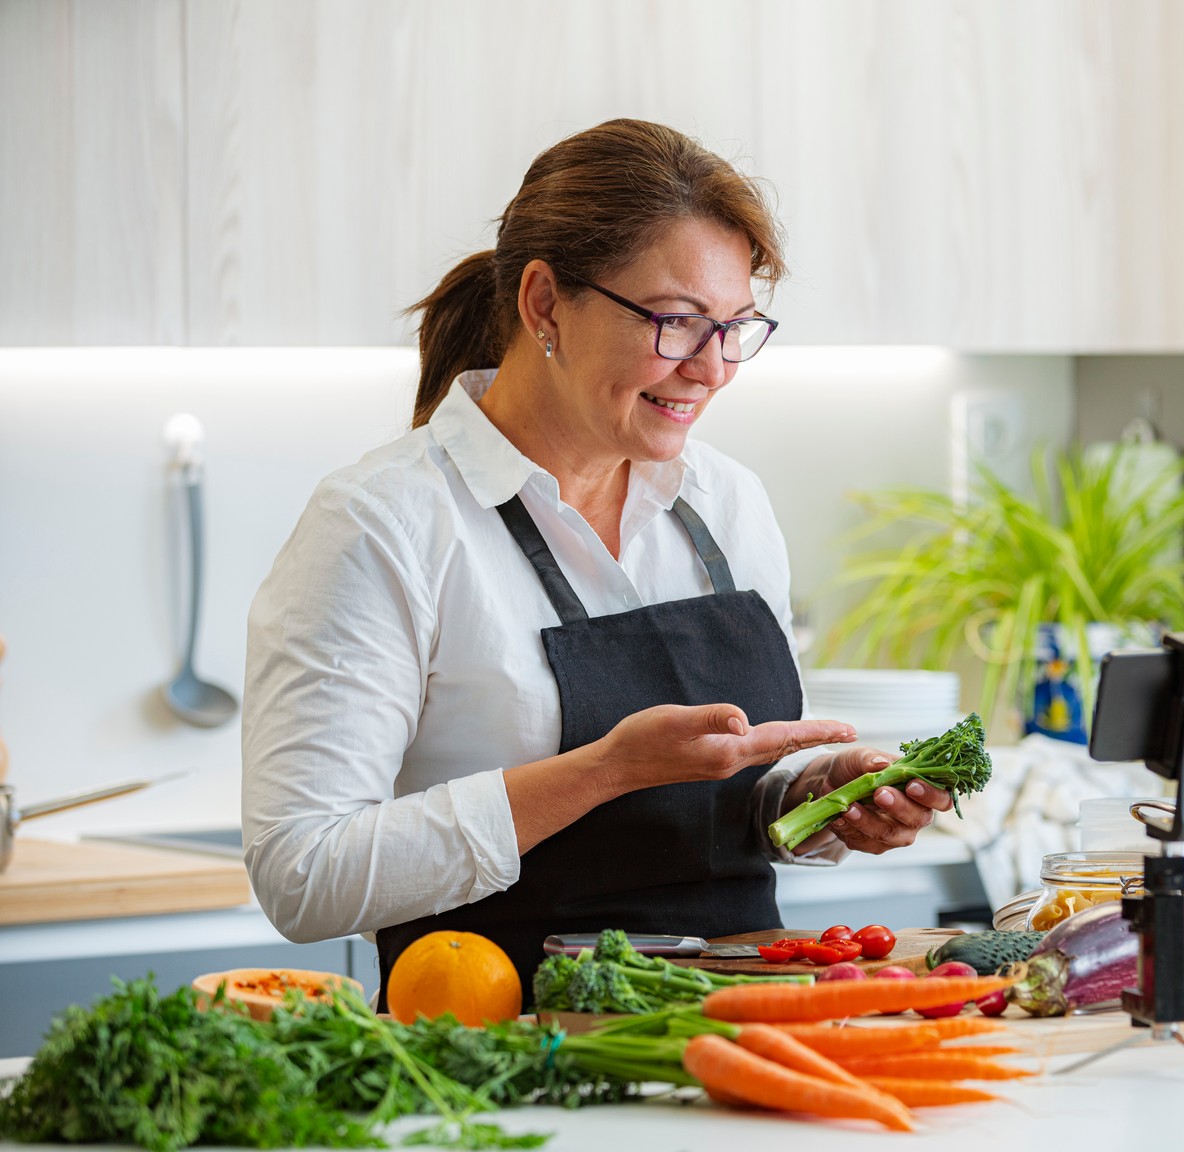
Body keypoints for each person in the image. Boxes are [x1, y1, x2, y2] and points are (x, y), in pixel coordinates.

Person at [242, 119, 952, 1003]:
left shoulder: (726, 502)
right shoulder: (384, 524)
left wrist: (807, 803)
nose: (712, 368)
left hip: (743, 1036)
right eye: (677, 322)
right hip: (497, 1064)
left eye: (735, 327)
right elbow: (302, 872)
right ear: (544, 303)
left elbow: (708, 809)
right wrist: (603, 769)